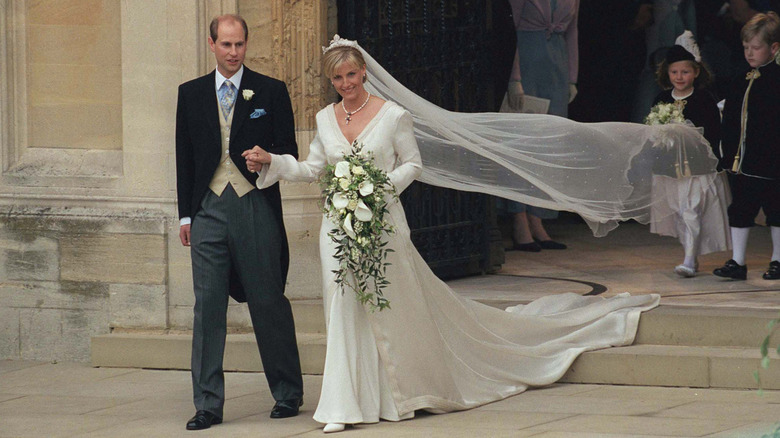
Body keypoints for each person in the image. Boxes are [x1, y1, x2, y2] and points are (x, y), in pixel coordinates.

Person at [244, 35, 661, 434]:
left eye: (352, 75)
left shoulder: (392, 115)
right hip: (337, 228)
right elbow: (313, 168)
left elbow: (413, 164)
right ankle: (345, 402)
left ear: (364, 73)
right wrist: (272, 162)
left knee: (392, 308)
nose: (346, 84)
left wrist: (375, 191)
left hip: (383, 225)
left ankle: (399, 394)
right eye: (338, 79)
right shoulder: (323, 118)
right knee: (342, 309)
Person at [175, 14, 304, 431]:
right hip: (208, 210)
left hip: (255, 206)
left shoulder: (271, 90)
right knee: (207, 308)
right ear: (211, 44)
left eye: (240, 45)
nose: (233, 53)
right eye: (226, 45)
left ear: (247, 44)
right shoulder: (190, 94)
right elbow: (185, 158)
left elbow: (289, 149)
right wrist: (185, 214)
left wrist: (266, 159)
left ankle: (288, 393)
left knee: (268, 300)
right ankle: (207, 404)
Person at [648, 31, 731, 277]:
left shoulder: (704, 99)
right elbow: (654, 133)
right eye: (674, 72)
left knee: (692, 210)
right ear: (667, 73)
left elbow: (714, 133)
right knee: (679, 213)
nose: (679, 77)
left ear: (696, 71)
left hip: (697, 168)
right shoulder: (662, 99)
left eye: (685, 72)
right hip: (671, 168)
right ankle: (690, 255)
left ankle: (689, 260)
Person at [501, 0, 579, 251]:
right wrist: (514, 78)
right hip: (526, 61)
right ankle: (519, 218)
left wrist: (572, 78)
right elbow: (510, 32)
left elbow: (573, 31)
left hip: (556, 66)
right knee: (522, 145)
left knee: (548, 146)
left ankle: (538, 218)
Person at [713, 11, 780, 281]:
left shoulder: (776, 79)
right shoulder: (742, 76)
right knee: (740, 208)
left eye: (756, 48)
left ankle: (777, 259)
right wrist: (727, 154)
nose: (750, 53)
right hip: (741, 160)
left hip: (772, 160)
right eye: (745, 48)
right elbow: (731, 118)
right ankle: (738, 261)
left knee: (776, 209)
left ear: (774, 48)